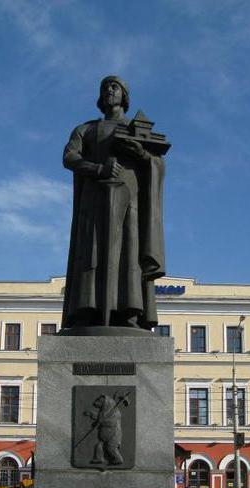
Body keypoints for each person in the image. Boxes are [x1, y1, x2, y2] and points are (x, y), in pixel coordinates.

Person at [61, 76, 166, 332]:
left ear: (124, 96)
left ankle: (130, 310)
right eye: (105, 87)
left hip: (129, 204)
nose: (109, 90)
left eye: (115, 87)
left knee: (128, 252)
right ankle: (87, 309)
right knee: (92, 252)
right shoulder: (85, 129)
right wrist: (98, 168)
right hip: (94, 203)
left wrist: (141, 154)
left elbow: (157, 162)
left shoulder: (136, 129)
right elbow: (69, 157)